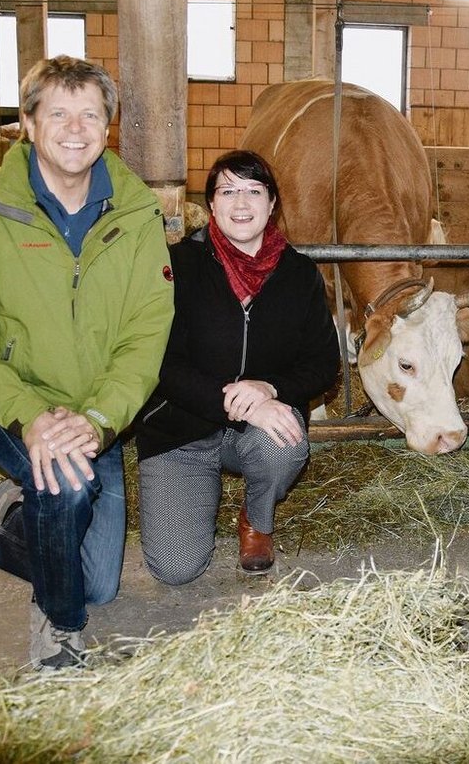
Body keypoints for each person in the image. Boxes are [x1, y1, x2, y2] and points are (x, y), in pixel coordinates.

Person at [0, 56, 174, 669]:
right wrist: (29, 417)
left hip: (96, 410)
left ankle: (11, 512)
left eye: (89, 113)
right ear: (30, 125)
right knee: (66, 489)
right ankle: (58, 625)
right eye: (57, 113)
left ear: (107, 127)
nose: (74, 127)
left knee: (100, 582)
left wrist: (98, 417)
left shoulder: (136, 212)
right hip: (7, 399)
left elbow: (146, 333)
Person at [134, 150, 340, 583]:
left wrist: (269, 388)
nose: (241, 204)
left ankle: (257, 518)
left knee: (282, 444)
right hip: (182, 429)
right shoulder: (177, 266)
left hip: (254, 430)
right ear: (211, 204)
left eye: (253, 191)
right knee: (176, 569)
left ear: (271, 204)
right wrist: (236, 400)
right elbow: (158, 361)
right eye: (228, 191)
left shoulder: (300, 274)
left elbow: (324, 363)